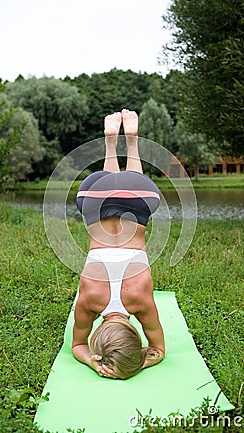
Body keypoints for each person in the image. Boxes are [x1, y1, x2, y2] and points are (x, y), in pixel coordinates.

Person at [72, 109, 165, 379]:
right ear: (98, 335)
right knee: (109, 187)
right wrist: (92, 361)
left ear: (134, 334)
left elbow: (158, 349)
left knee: (130, 188)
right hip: (93, 194)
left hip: (138, 197)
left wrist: (140, 361)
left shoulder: (140, 303)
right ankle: (111, 142)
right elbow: (78, 345)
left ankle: (131, 141)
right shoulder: (90, 302)